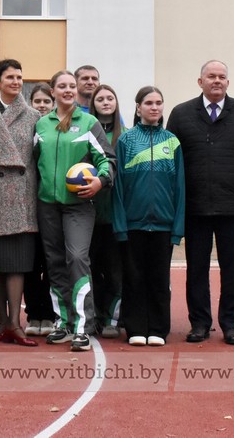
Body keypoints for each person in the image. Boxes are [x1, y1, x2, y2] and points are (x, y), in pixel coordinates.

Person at [166, 60, 234, 345]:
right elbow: (171, 160)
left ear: (228, 82)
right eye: (211, 76)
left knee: (232, 269)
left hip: (233, 206)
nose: (217, 81)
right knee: (196, 269)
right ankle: (199, 323)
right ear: (200, 82)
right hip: (194, 207)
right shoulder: (181, 114)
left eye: (222, 77)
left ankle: (231, 324)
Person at [35, 70, 114, 352]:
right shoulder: (41, 125)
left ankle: (83, 326)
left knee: (78, 258)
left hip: (79, 206)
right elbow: (35, 164)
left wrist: (100, 181)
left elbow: (107, 159)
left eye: (72, 86)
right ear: (53, 91)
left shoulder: (89, 122)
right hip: (47, 206)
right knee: (54, 262)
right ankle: (63, 321)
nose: (68, 90)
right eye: (62, 86)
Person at [113, 86, 185, 347]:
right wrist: (120, 224)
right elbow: (118, 186)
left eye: (158, 103)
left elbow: (180, 187)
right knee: (133, 278)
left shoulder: (172, 141)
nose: (154, 107)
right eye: (149, 103)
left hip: (164, 226)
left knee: (159, 279)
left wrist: (177, 228)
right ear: (138, 107)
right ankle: (135, 328)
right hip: (133, 225)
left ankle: (157, 328)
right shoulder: (126, 141)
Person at [0, 59, 40, 347]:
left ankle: (15, 322)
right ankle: (1, 320)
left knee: (18, 263)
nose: (16, 81)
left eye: (19, 76)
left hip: (23, 195)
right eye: (10, 77)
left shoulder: (33, 116)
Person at [89, 84, 124, 338]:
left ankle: (111, 317)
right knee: (91, 268)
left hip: (115, 215)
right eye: (100, 98)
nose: (105, 102)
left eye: (110, 98)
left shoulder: (126, 136)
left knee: (114, 270)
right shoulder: (85, 131)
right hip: (88, 214)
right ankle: (93, 316)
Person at [25, 82, 57, 336]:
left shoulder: (60, 128)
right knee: (31, 264)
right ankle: (34, 314)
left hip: (51, 206)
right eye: (38, 102)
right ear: (30, 104)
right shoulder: (27, 129)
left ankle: (50, 314)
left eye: (47, 101)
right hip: (27, 207)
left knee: (52, 263)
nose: (42, 106)